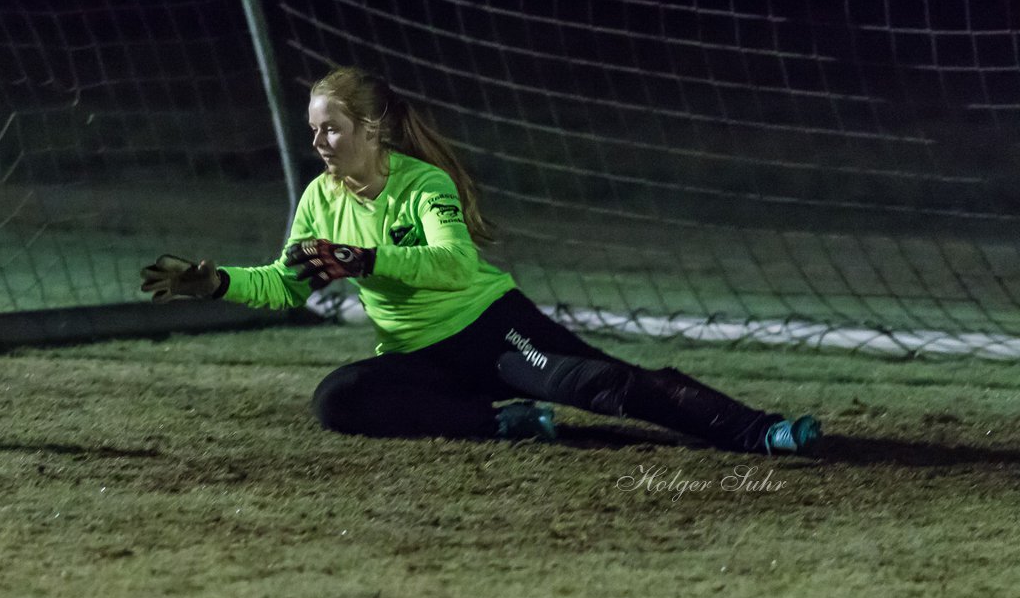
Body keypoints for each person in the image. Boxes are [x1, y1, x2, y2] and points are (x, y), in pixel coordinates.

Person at [140, 66, 821, 454]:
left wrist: (365, 258)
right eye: (313, 127)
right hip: (423, 357)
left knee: (600, 386)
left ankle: (761, 430)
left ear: (369, 130)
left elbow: (454, 267)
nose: (318, 140)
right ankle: (500, 422)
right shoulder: (321, 197)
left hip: (493, 333)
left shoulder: (422, 186)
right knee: (340, 399)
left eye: (331, 127)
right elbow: (290, 285)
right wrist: (219, 281)